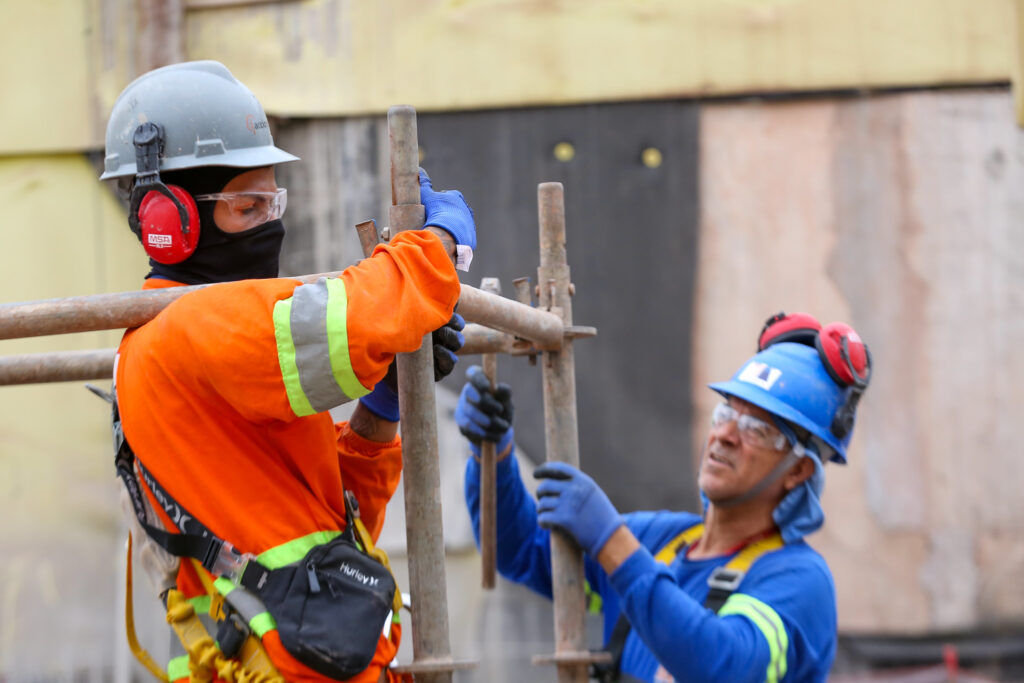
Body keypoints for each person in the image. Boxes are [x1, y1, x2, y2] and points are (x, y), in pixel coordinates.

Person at [100, 60, 475, 683]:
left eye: (273, 201)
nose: (270, 224)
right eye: (248, 206)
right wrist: (439, 246)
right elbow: (360, 315)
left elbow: (323, 530)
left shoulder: (193, 340)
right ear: (167, 222)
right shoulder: (189, 328)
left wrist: (380, 411)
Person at [456, 312, 872, 683]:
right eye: (726, 413)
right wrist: (493, 454)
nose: (725, 435)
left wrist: (612, 542)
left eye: (758, 429)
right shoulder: (661, 542)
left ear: (799, 470)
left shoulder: (798, 581)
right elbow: (519, 552)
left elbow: (723, 667)